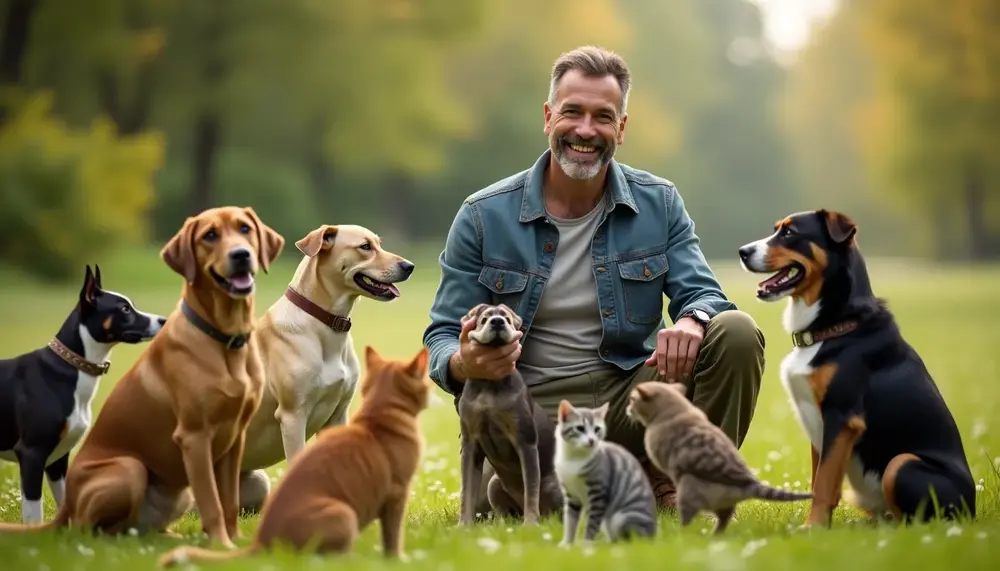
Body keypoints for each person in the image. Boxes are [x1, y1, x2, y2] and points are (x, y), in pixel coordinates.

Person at [422, 45, 765, 512]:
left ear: (620, 129)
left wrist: (693, 320)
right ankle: (621, 477)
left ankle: (681, 483)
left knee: (736, 332)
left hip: (627, 396)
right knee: (508, 504)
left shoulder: (659, 202)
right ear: (548, 117)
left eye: (603, 116)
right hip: (526, 410)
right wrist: (465, 363)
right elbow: (442, 335)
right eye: (572, 112)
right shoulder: (482, 215)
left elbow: (704, 293)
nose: (586, 130)